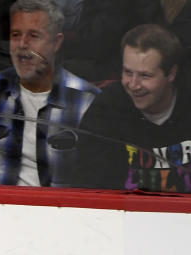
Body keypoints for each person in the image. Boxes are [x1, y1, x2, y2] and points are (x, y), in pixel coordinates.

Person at [0, 0, 99, 187]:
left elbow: (96, 181)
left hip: (61, 213)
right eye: (15, 35)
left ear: (56, 42)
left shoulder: (88, 101)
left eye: (34, 36)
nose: (22, 44)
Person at [73, 24, 191, 192]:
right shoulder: (107, 107)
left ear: (171, 74)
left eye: (145, 75)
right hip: (123, 214)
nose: (134, 85)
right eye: (128, 72)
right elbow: (90, 184)